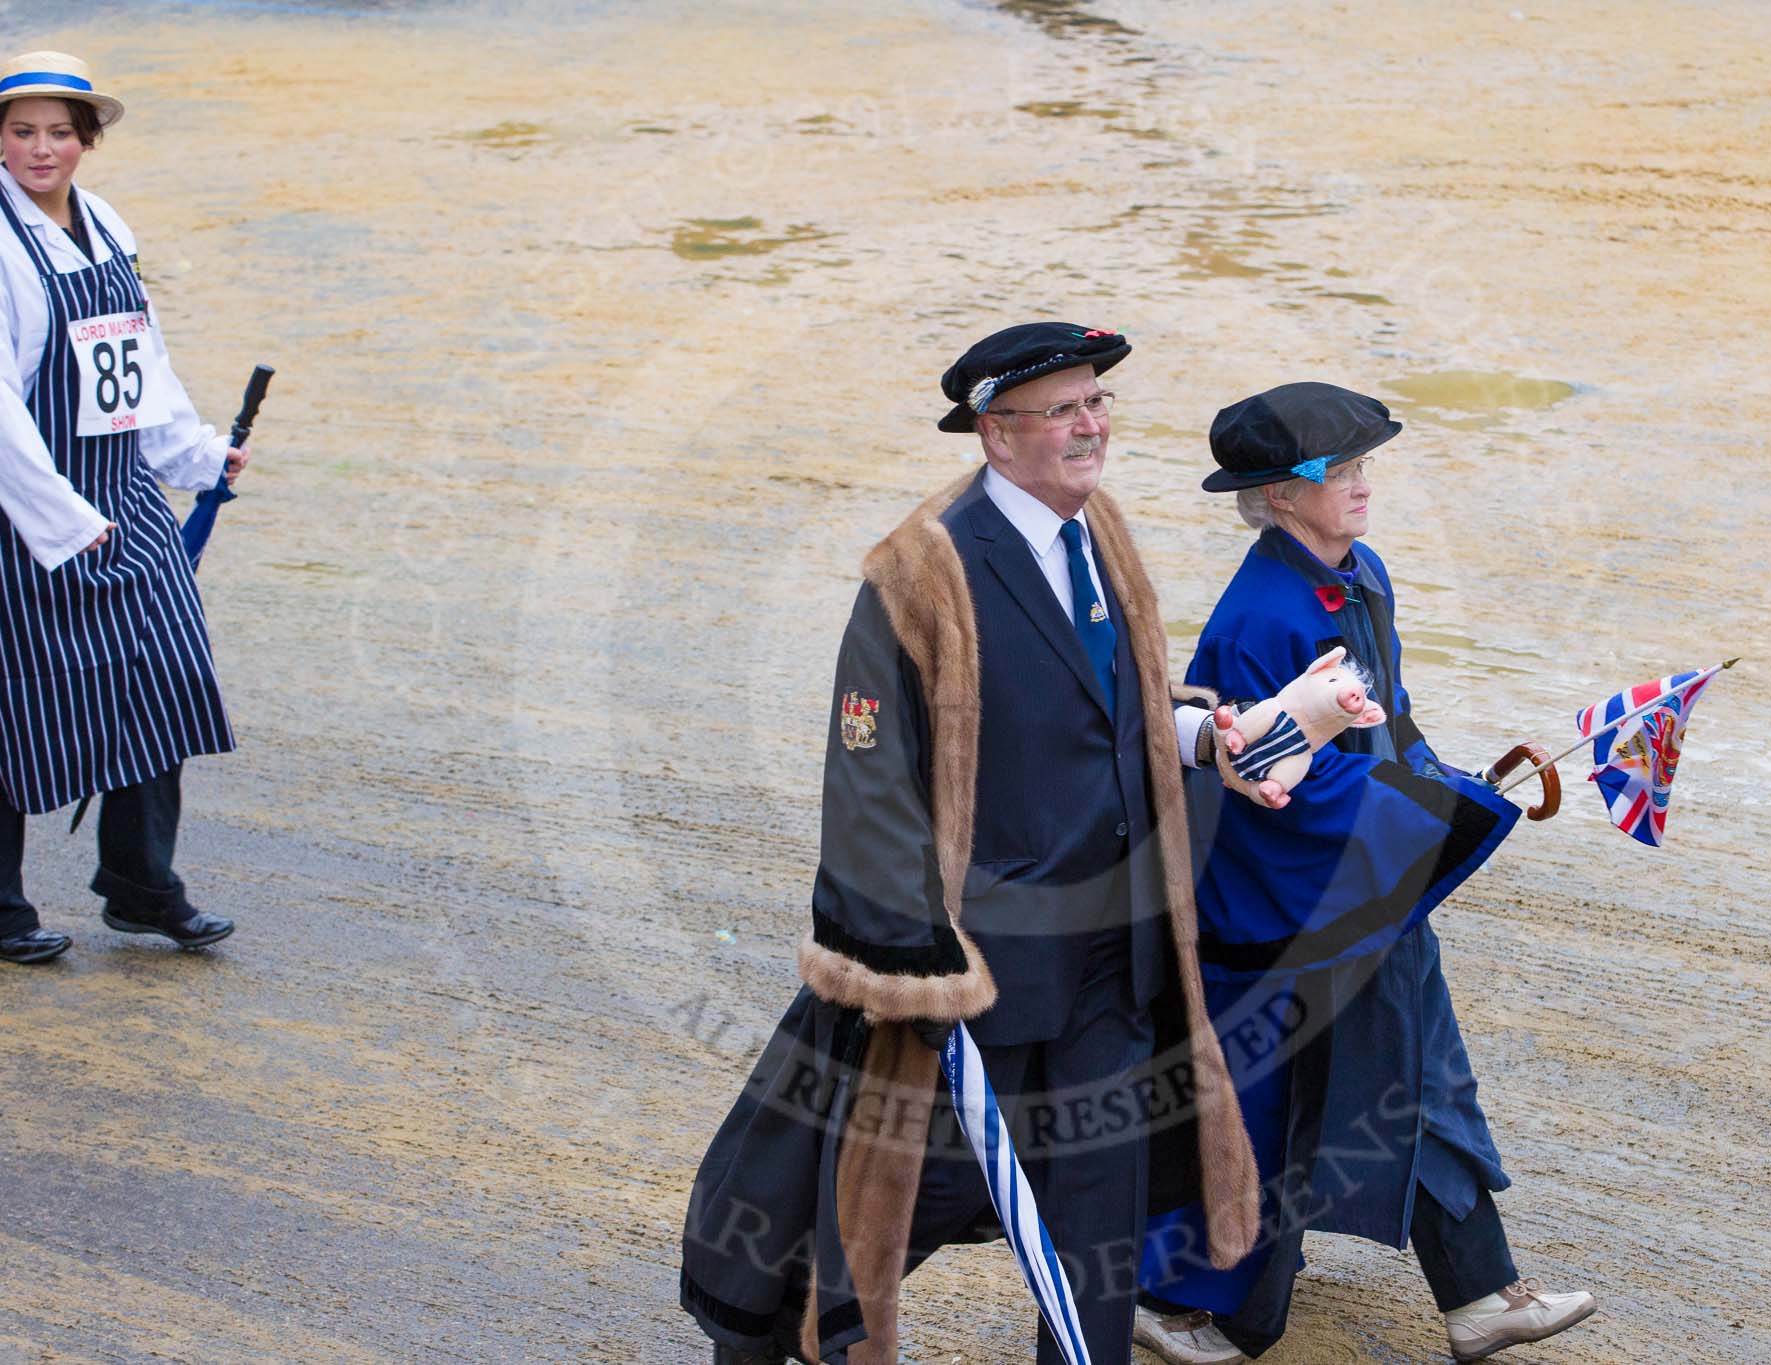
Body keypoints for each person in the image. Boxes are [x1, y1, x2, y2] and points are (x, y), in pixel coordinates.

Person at [682, 324, 1322, 1364]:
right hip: (986, 977)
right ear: (994, 433)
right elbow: (868, 785)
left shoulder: (1100, 531)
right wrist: (917, 967)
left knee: (1097, 1235)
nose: (1089, 426)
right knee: (901, 1201)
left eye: (1096, 404)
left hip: (1117, 963)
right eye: (1062, 409)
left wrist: (1208, 739)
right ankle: (780, 1335)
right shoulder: (917, 572)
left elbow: (1114, 703)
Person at [1132, 383, 1597, 1363]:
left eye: (1360, 465)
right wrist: (1439, 816)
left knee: (1412, 1073)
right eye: (1334, 471)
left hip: (1366, 880)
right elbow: (1273, 775)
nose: (1358, 485)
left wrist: (1442, 778)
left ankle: (1477, 1296)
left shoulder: (1359, 572)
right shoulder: (1260, 617)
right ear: (1275, 494)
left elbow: (1386, 718)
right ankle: (1173, 1298)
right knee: (1290, 1099)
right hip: (1287, 900)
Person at [0, 51, 244, 965]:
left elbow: (141, 365)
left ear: (88, 139)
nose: (40, 148)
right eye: (22, 132)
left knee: (162, 677)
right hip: (18, 512)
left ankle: (139, 886)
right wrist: (60, 521)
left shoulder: (109, 226)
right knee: (4, 699)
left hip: (123, 489)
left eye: (59, 132)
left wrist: (195, 454)